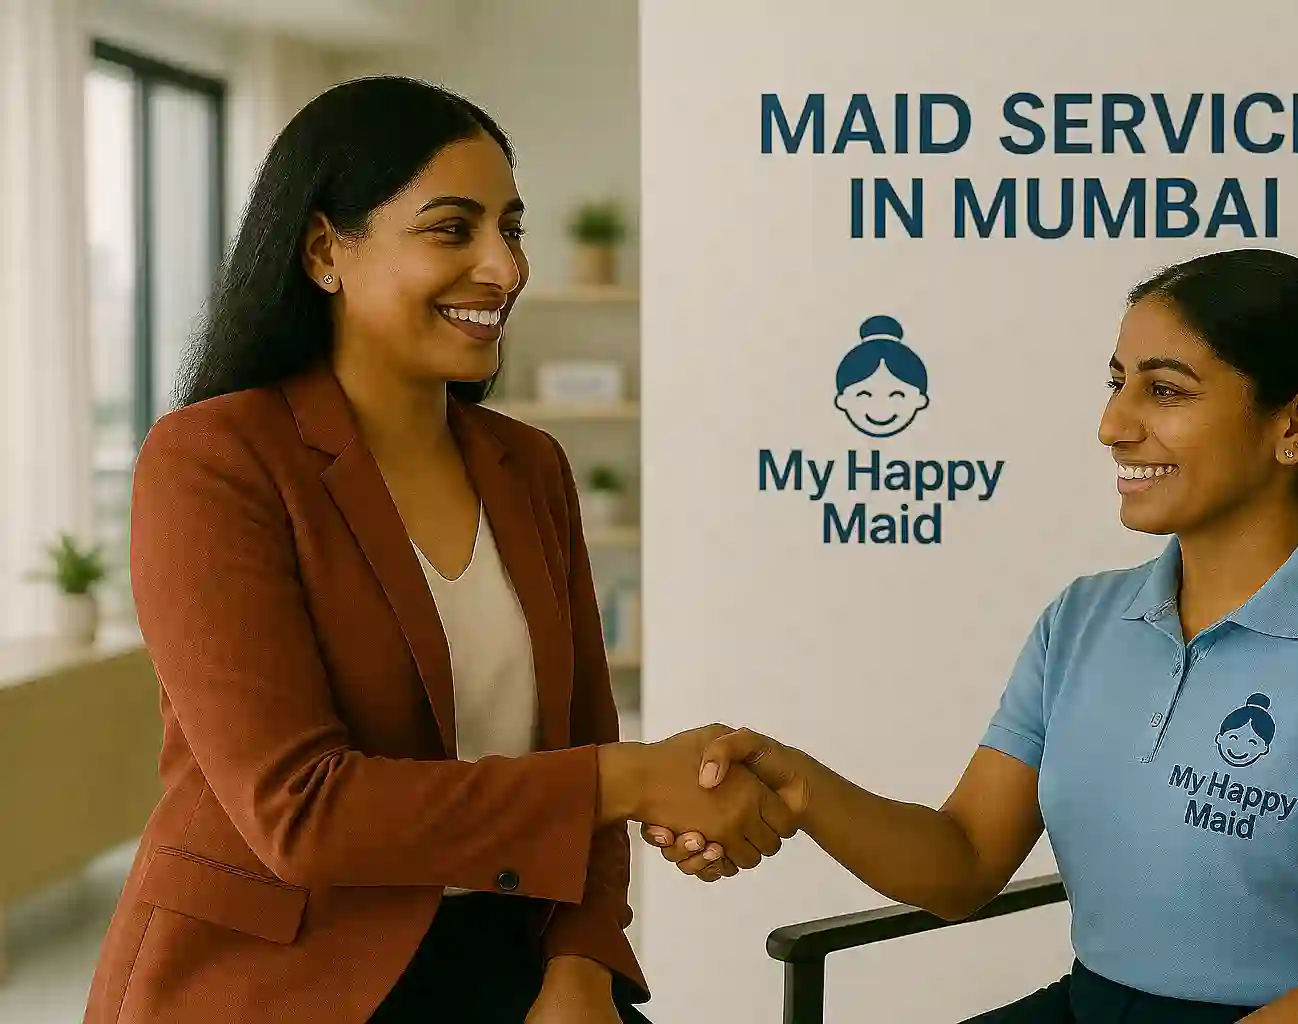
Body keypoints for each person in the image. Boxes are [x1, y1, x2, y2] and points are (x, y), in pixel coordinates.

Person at [84, 76, 794, 1024]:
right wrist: (630, 781)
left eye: (512, 227)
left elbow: (581, 738)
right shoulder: (212, 462)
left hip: (506, 960)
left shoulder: (529, 467)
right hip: (280, 981)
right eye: (452, 229)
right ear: (325, 249)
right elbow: (304, 809)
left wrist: (582, 966)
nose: (503, 267)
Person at [645, 249, 1298, 1023]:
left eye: (1164, 390)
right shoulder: (1082, 621)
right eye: (1116, 382)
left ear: (1297, 423)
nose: (1114, 424)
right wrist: (802, 792)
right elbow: (965, 861)